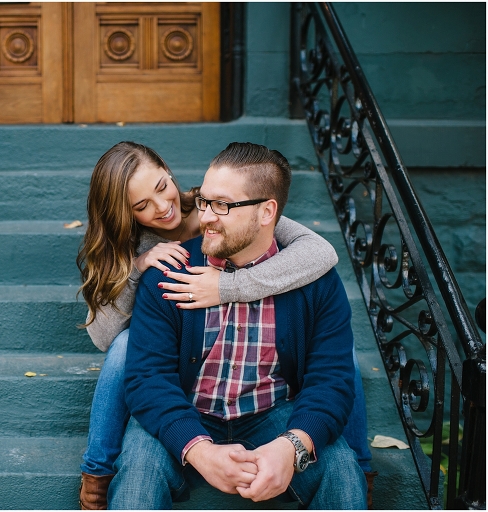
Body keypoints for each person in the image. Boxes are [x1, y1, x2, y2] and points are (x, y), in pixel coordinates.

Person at [76, 142, 370, 509]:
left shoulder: (298, 264)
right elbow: (132, 363)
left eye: (221, 205)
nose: (163, 207)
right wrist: (138, 268)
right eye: (142, 205)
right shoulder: (158, 266)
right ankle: (98, 472)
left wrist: (292, 445)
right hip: (188, 399)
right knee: (124, 351)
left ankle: (362, 469)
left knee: (342, 458)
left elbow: (321, 256)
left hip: (271, 409)